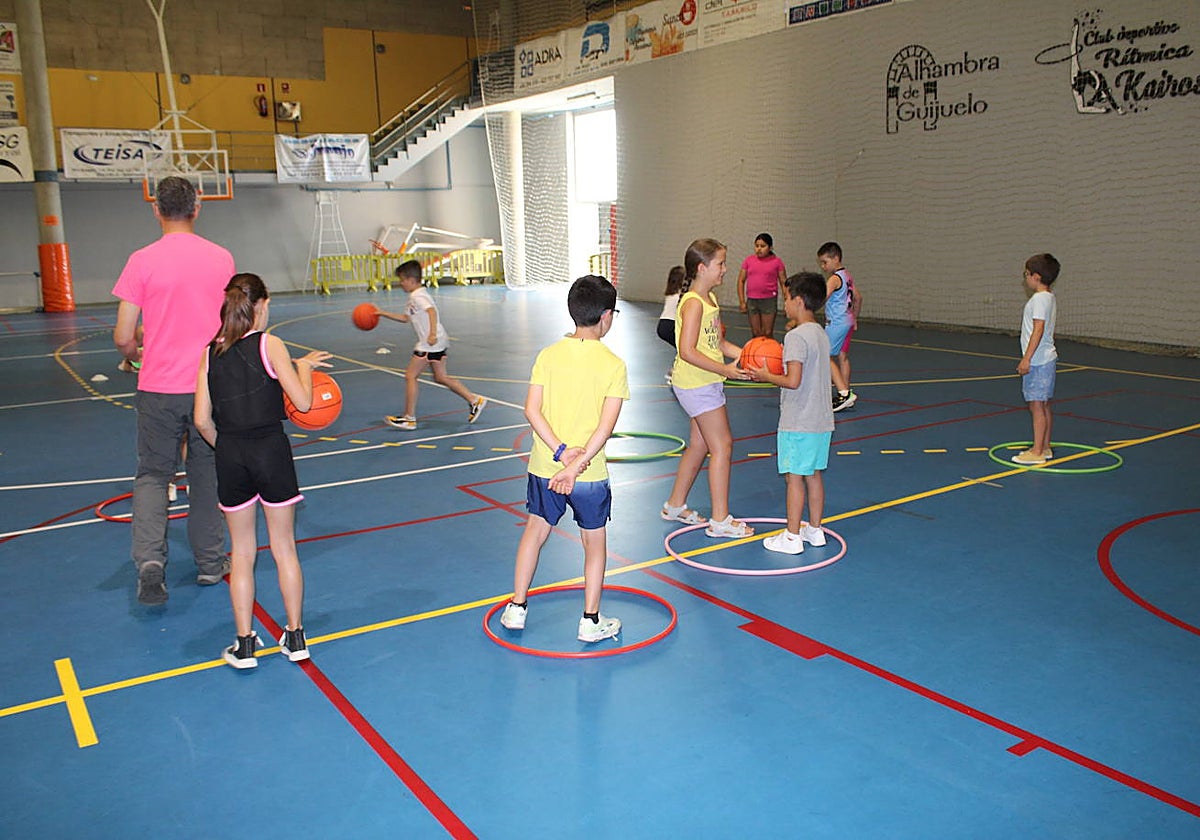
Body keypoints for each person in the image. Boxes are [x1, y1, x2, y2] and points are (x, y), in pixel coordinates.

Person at [193, 273, 332, 669]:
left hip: (231, 453)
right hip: (271, 451)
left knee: (242, 553)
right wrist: (303, 368)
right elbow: (303, 403)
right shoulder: (270, 344)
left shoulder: (209, 353)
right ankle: (295, 636)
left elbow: (201, 420)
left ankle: (245, 644)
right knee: (284, 546)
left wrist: (227, 449)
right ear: (261, 305)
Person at [112, 176, 234, 605]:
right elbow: (232, 324)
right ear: (197, 208)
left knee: (152, 474)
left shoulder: (141, 260)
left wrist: (135, 354)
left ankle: (150, 561)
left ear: (156, 209)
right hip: (208, 387)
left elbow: (123, 335)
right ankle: (210, 563)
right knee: (206, 476)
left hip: (159, 389)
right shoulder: (222, 258)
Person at [499, 275, 629, 643]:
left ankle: (517, 608)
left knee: (535, 531)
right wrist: (574, 466)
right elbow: (604, 429)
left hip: (545, 467)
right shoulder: (613, 365)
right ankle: (591, 620)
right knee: (594, 543)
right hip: (589, 475)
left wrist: (559, 452)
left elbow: (531, 410)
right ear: (606, 316)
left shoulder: (548, 355)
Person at [661, 238, 755, 539]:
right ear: (702, 268)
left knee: (700, 444)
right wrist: (726, 370)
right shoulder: (692, 304)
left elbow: (718, 344)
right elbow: (687, 350)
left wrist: (751, 357)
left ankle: (675, 505)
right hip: (697, 384)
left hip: (702, 382)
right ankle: (720, 520)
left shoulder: (709, 299)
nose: (725, 269)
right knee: (722, 446)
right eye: (720, 264)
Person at [749, 273, 835, 554]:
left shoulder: (796, 336)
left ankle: (791, 537)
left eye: (786, 298)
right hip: (821, 421)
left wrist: (766, 376)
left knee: (794, 478)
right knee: (814, 475)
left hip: (798, 421)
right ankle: (815, 530)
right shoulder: (820, 333)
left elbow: (793, 380)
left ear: (798, 301)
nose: (784, 304)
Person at [375, 260, 486, 431]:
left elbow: (432, 312)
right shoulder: (415, 296)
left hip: (429, 343)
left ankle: (409, 418)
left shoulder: (418, 296)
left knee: (410, 376)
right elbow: (405, 318)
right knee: (440, 377)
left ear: (412, 280)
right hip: (437, 341)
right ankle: (474, 400)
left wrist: (432, 334)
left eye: (402, 280)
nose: (401, 283)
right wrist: (382, 313)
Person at [1012, 253, 1060, 465]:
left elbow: (1038, 329)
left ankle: (1037, 451)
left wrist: (1026, 359)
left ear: (1036, 276)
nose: (1025, 278)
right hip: (1046, 359)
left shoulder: (1039, 299)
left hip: (1038, 361)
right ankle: (1045, 446)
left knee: (1036, 406)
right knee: (1044, 404)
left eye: (1027, 274)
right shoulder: (1049, 297)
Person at [817, 241, 859, 412]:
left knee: (824, 355)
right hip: (847, 321)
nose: (823, 266)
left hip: (836, 322)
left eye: (825, 262)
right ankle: (846, 393)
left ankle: (842, 394)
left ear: (836, 258)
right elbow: (858, 297)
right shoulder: (847, 276)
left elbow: (822, 298)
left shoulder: (834, 279)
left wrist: (804, 310)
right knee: (843, 357)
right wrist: (855, 318)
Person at [736, 233, 787, 338]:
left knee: (767, 332)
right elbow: (741, 280)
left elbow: (783, 282)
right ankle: (756, 348)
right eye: (757, 246)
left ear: (770, 248)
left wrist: (786, 301)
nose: (759, 249)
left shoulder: (777, 262)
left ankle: (768, 348)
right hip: (752, 300)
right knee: (756, 332)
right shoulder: (748, 261)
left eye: (763, 246)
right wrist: (742, 301)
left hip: (769, 300)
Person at [656, 265, 686, 348]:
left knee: (681, 347)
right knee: (683, 347)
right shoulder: (680, 296)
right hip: (671, 324)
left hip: (662, 324)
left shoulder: (670, 293)